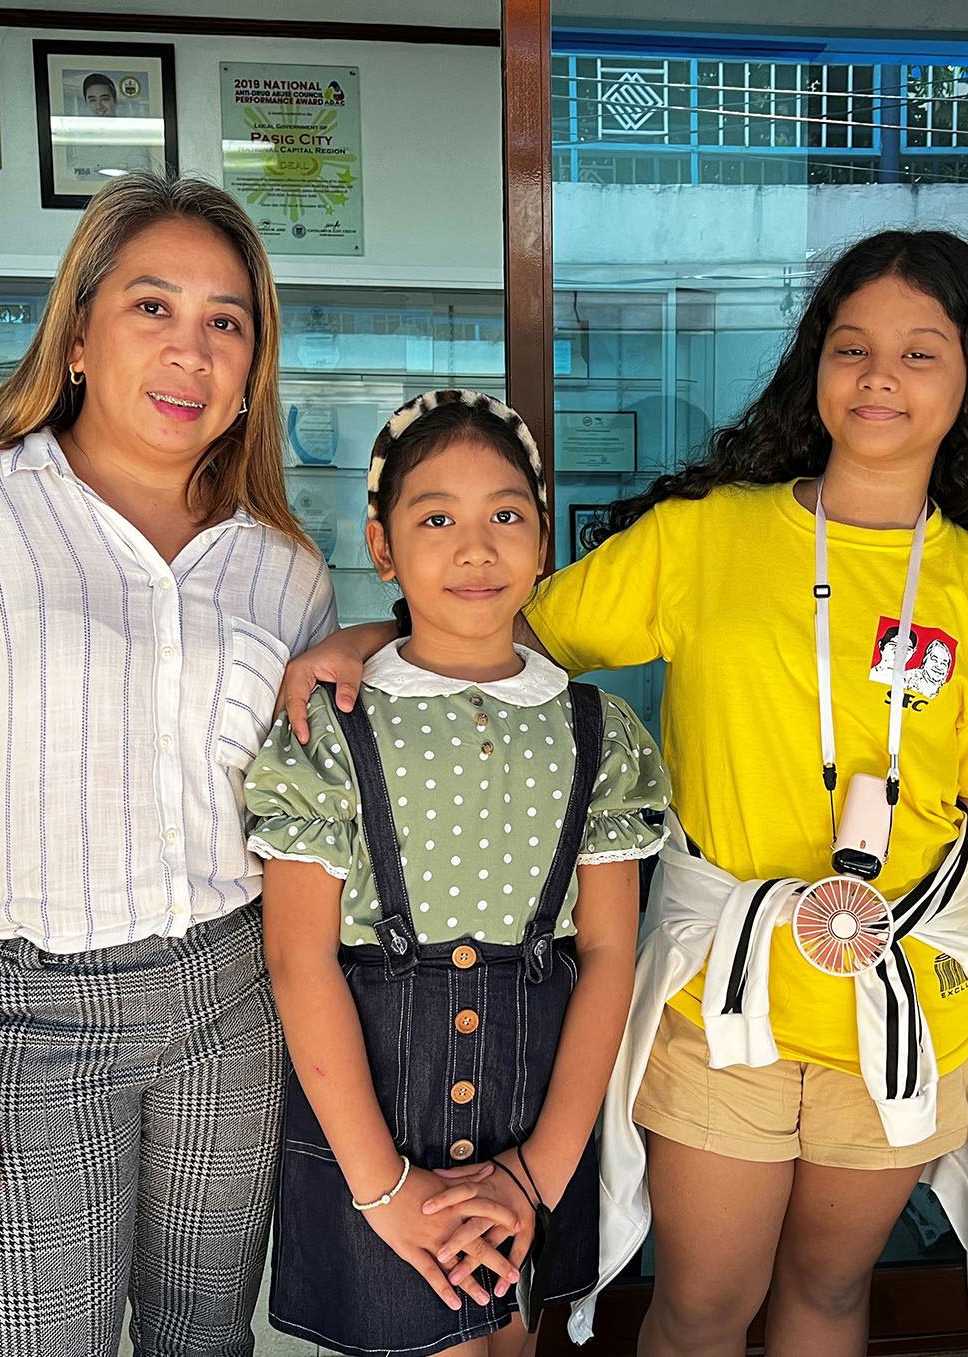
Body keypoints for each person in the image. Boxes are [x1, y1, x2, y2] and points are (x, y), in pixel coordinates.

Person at [281, 231, 968, 1357]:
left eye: (919, 352)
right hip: (720, 1003)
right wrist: (368, 636)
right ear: (814, 366)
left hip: (903, 1008)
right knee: (700, 1305)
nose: (879, 377)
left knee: (834, 1294)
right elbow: (505, 623)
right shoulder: (705, 537)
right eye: (851, 347)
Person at [0, 173, 332, 1357]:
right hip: (23, 1009)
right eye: (150, 307)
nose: (189, 350)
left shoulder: (283, 569)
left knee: (203, 1332)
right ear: (75, 334)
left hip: (231, 995)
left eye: (225, 321)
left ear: (251, 367)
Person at [250, 389, 668, 1357]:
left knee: (515, 1342)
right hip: (376, 1120)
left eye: (505, 515)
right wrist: (383, 1187)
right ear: (382, 547)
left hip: (534, 1111)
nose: (474, 548)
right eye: (434, 517)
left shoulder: (596, 730)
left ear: (540, 542)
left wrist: (539, 1169)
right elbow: (299, 962)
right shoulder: (330, 729)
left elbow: (607, 954)